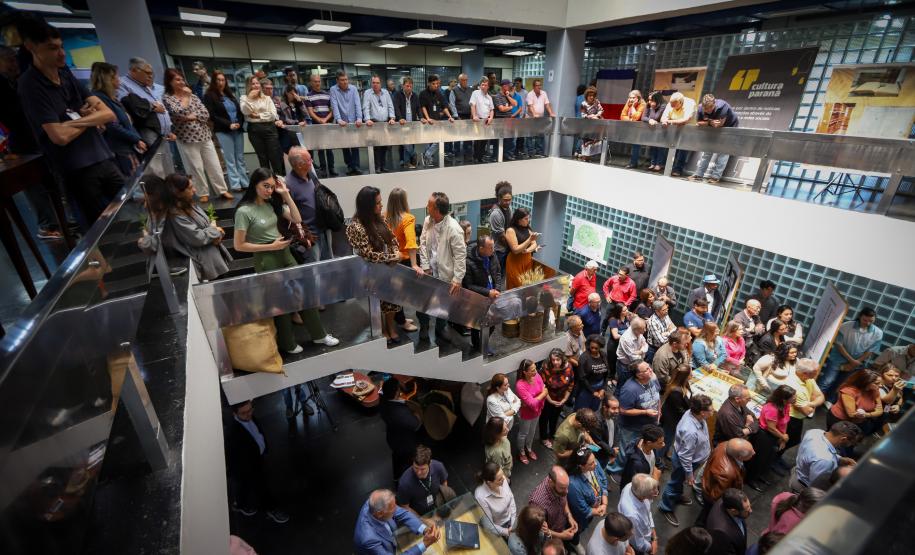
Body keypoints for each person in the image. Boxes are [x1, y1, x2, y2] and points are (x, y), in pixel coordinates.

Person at [18, 20, 124, 228]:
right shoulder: (30, 84)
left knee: (133, 211)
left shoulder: (66, 74)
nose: (61, 54)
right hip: (77, 170)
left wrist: (71, 121)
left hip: (103, 159)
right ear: (31, 47)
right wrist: (88, 119)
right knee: (101, 230)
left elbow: (108, 114)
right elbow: (59, 137)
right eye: (52, 48)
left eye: (61, 47)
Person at [234, 168, 339, 354]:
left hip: (284, 253)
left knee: (304, 293)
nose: (269, 190)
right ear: (254, 184)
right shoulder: (244, 211)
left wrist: (285, 195)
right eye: (265, 186)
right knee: (279, 302)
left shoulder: (272, 204)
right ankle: (287, 343)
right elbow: (239, 245)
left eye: (272, 187)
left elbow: (297, 219)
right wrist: (270, 247)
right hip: (266, 256)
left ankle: (319, 334)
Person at [142, 173, 231, 281]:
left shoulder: (189, 205)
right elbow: (197, 237)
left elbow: (204, 226)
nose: (194, 190)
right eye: (190, 188)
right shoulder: (174, 215)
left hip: (213, 257)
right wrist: (216, 231)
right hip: (205, 261)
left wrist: (214, 233)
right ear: (178, 192)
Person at [162, 68, 233, 203]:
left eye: (182, 79)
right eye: (177, 79)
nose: (181, 82)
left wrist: (191, 115)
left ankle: (222, 190)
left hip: (204, 135)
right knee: (195, 167)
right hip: (187, 138)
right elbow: (179, 113)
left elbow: (205, 114)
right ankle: (202, 192)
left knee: (214, 164)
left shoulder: (194, 96)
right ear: (169, 82)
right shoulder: (168, 98)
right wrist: (187, 100)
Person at [347, 186, 404, 346]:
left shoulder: (380, 218)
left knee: (392, 301)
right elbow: (368, 254)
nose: (381, 206)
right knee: (378, 303)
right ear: (367, 206)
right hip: (371, 273)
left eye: (381, 202)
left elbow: (392, 239)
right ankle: (382, 330)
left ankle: (391, 328)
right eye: (377, 203)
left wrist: (395, 253)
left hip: (388, 269)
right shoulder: (356, 226)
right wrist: (392, 256)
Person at [226, 400, 289, 523]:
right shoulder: (232, 434)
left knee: (247, 487)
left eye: (250, 410)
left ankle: (239, 504)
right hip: (249, 466)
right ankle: (270, 509)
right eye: (244, 413)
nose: (249, 414)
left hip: (256, 459)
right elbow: (234, 460)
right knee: (260, 488)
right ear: (234, 414)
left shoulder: (248, 417)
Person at [417, 192, 467, 344]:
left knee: (444, 304)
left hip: (445, 273)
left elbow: (460, 256)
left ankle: (440, 328)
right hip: (429, 269)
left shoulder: (454, 229)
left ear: (437, 209)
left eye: (429, 205)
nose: (426, 206)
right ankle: (424, 326)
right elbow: (423, 243)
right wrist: (425, 266)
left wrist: (457, 279)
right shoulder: (428, 220)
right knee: (422, 302)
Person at [659, 395, 713, 527]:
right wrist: (689, 474)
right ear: (702, 412)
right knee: (675, 482)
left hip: (692, 460)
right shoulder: (690, 431)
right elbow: (685, 456)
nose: (713, 411)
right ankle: (666, 506)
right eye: (711, 410)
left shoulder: (693, 414)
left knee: (678, 482)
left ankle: (677, 495)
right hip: (686, 463)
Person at [117, 56, 175, 179]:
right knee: (155, 169)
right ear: (133, 70)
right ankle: (160, 197)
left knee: (168, 167)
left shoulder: (146, 86)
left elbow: (160, 108)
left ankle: (172, 195)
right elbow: (131, 104)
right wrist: (151, 106)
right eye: (147, 73)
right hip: (146, 131)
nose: (151, 76)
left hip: (162, 133)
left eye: (151, 73)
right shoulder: (123, 83)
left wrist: (167, 129)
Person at [90, 62, 146, 177]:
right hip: (120, 151)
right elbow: (113, 126)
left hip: (128, 148)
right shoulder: (99, 99)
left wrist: (137, 139)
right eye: (116, 77)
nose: (119, 80)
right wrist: (136, 139)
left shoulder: (112, 98)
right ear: (108, 79)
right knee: (133, 184)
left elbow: (127, 122)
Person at [819, 307, 883, 402]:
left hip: (857, 361)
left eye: (871, 321)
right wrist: (852, 361)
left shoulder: (878, 333)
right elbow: (838, 344)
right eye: (865, 320)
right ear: (860, 316)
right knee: (827, 380)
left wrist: (857, 362)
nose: (868, 323)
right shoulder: (846, 326)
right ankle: (815, 399)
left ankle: (830, 400)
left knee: (842, 383)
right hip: (838, 358)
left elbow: (871, 350)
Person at [354, 489, 439, 555]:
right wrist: (424, 544)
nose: (397, 509)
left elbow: (403, 514)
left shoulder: (373, 503)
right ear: (380, 514)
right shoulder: (369, 539)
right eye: (392, 509)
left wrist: (424, 530)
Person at [745, 385, 795, 492]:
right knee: (758, 459)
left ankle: (759, 475)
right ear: (784, 399)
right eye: (793, 397)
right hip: (764, 436)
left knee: (768, 458)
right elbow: (771, 428)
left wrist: (783, 437)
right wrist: (783, 437)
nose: (795, 399)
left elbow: (785, 421)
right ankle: (750, 479)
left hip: (775, 436)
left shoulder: (786, 405)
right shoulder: (771, 409)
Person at [285, 146, 331, 263]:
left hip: (325, 230)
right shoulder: (289, 184)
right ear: (299, 165)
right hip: (311, 237)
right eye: (309, 160)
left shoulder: (311, 175)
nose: (312, 162)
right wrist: (304, 237)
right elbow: (290, 216)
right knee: (314, 269)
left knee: (329, 264)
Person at [204, 70, 247, 191]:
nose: (221, 82)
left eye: (223, 80)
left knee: (240, 157)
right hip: (223, 130)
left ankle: (245, 182)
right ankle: (235, 184)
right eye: (218, 80)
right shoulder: (209, 95)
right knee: (230, 158)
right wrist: (229, 125)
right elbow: (212, 115)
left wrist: (239, 123)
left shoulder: (230, 95)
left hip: (237, 130)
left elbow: (239, 112)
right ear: (214, 81)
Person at [385, 187, 421, 332]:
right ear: (403, 201)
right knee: (401, 294)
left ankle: (400, 318)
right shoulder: (408, 218)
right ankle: (401, 322)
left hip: (390, 260)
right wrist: (414, 264)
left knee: (394, 292)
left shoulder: (385, 216)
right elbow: (411, 243)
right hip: (404, 261)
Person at [775, 358, 824, 463]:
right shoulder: (794, 386)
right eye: (815, 373)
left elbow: (821, 397)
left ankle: (776, 457)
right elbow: (807, 412)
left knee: (794, 440)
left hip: (798, 418)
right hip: (790, 419)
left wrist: (811, 404)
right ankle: (773, 460)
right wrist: (813, 404)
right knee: (783, 441)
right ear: (805, 374)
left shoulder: (807, 379)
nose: (816, 375)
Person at [697, 438, 755, 526]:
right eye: (751, 453)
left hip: (710, 482)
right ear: (739, 457)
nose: (754, 452)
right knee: (707, 514)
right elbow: (716, 496)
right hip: (710, 496)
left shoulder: (725, 444)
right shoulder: (727, 474)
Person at [792, 421, 860, 491]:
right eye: (852, 443)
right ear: (843, 439)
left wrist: (839, 459)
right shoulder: (825, 460)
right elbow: (817, 484)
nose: (850, 445)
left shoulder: (815, 432)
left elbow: (818, 452)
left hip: (798, 471)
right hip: (803, 486)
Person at [238, 75, 286, 176]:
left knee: (275, 157)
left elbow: (273, 115)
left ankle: (279, 180)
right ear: (248, 85)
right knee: (262, 158)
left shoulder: (267, 98)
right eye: (253, 83)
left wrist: (257, 115)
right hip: (254, 130)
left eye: (257, 83)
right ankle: (266, 181)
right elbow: (245, 111)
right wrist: (250, 98)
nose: (255, 85)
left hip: (269, 128)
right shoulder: (244, 98)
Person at [617, 362, 661, 468]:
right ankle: (617, 470)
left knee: (640, 447)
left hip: (649, 424)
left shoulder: (653, 378)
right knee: (625, 450)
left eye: (649, 367)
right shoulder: (629, 389)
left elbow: (658, 395)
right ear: (639, 375)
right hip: (631, 427)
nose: (650, 370)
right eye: (646, 369)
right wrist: (645, 412)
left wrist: (659, 411)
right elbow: (623, 410)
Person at [688, 93, 739, 183]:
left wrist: (707, 122)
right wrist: (710, 122)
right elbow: (699, 123)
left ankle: (715, 176)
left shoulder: (723, 106)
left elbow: (718, 125)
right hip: (711, 126)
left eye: (710, 108)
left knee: (723, 152)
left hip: (729, 127)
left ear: (714, 104)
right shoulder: (700, 108)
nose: (707, 111)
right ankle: (699, 174)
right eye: (705, 109)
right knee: (707, 150)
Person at [463, 235, 502, 352]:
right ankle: (477, 347)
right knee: (476, 325)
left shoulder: (492, 255)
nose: (493, 250)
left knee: (492, 324)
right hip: (478, 298)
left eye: (493, 246)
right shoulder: (468, 261)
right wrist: (487, 292)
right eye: (490, 247)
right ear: (481, 248)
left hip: (493, 296)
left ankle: (483, 343)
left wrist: (497, 289)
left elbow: (498, 273)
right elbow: (469, 285)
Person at [379, 379, 421, 483]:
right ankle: (412, 477)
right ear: (397, 392)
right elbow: (415, 425)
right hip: (405, 444)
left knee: (396, 457)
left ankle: (396, 476)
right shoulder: (400, 413)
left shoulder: (383, 401)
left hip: (392, 438)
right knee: (408, 459)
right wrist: (416, 414)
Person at [566, 448, 609, 546]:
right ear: (581, 466)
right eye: (591, 463)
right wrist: (597, 511)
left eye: (594, 460)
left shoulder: (594, 463)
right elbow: (582, 510)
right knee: (578, 529)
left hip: (595, 506)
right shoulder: (573, 485)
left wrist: (604, 502)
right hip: (581, 516)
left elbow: (603, 480)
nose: (596, 464)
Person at [528, 466, 579, 547]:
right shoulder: (537, 503)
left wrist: (569, 516)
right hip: (551, 536)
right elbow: (542, 530)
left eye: (567, 487)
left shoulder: (559, 484)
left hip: (560, 526)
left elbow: (564, 500)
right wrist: (562, 536)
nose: (567, 491)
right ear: (551, 482)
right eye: (563, 488)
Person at [827, 369, 884, 438]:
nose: (881, 386)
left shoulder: (875, 391)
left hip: (858, 422)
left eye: (881, 383)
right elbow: (851, 414)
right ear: (865, 382)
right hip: (839, 420)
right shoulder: (849, 392)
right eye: (877, 383)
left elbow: (880, 411)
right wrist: (870, 414)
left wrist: (866, 415)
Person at [328, 70, 364, 175]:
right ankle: (349, 166)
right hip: (342, 122)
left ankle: (356, 166)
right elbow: (334, 105)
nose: (345, 82)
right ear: (337, 81)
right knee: (345, 144)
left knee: (355, 144)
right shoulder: (333, 90)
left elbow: (358, 104)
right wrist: (338, 119)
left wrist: (359, 118)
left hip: (354, 121)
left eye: (346, 79)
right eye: (342, 80)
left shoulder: (353, 89)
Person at [396, 445, 449, 516]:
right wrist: (423, 520)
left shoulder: (438, 467)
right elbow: (405, 507)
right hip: (418, 513)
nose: (418, 472)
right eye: (416, 468)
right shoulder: (405, 483)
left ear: (429, 464)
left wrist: (443, 501)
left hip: (436, 505)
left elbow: (444, 483)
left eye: (422, 469)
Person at [303, 73, 337, 177]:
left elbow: (332, 110)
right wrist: (320, 120)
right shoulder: (308, 96)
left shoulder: (327, 94)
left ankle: (331, 169)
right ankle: (323, 170)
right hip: (316, 126)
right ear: (311, 82)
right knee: (321, 149)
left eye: (319, 81)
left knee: (329, 149)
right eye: (315, 82)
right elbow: (310, 112)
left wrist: (325, 119)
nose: (317, 83)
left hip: (327, 125)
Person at [540, 349, 575, 449]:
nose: (555, 362)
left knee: (555, 418)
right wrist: (550, 400)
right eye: (553, 360)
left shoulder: (568, 368)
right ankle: (543, 437)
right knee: (544, 418)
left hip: (560, 399)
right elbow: (542, 386)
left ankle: (552, 434)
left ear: (562, 359)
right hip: (547, 398)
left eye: (558, 360)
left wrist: (565, 399)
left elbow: (571, 384)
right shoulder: (546, 367)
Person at [617, 474, 659, 555]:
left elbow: (648, 512)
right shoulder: (632, 515)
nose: (657, 492)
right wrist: (651, 549)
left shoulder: (631, 486)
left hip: (647, 535)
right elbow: (638, 543)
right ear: (643, 496)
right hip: (641, 544)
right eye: (653, 492)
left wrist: (654, 536)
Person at [362, 75, 396, 173]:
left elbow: (390, 106)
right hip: (374, 123)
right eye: (374, 83)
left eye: (377, 83)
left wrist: (392, 117)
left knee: (384, 146)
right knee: (376, 147)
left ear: (380, 84)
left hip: (385, 123)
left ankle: (383, 166)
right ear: (371, 83)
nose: (375, 85)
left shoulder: (385, 92)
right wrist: (367, 119)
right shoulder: (368, 93)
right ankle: (377, 167)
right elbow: (366, 107)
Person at [515, 360, 547, 465]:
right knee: (523, 433)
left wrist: (533, 400)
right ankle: (521, 452)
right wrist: (543, 394)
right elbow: (533, 402)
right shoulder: (520, 385)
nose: (536, 372)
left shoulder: (537, 375)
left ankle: (528, 448)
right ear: (525, 372)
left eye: (535, 369)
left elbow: (542, 390)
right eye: (532, 370)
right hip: (526, 414)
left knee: (532, 431)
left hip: (537, 411)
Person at [418, 73, 455, 167]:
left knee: (439, 140)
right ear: (429, 83)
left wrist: (450, 116)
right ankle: (427, 158)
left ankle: (427, 155)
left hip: (437, 121)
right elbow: (423, 107)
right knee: (427, 141)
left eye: (437, 84)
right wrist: (427, 118)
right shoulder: (423, 93)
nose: (436, 85)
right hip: (427, 122)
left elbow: (444, 106)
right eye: (433, 84)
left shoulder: (439, 93)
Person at [659, 364, 692, 463]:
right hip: (671, 420)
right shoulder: (675, 392)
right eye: (690, 374)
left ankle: (664, 454)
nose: (692, 375)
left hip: (676, 419)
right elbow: (680, 410)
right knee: (666, 439)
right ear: (685, 376)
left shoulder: (684, 384)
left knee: (670, 439)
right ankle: (659, 459)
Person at [475, 461, 517, 538]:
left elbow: (511, 499)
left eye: (503, 474)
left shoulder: (502, 479)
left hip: (511, 518)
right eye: (499, 479)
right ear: (489, 482)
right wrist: (506, 532)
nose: (504, 479)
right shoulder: (481, 497)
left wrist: (513, 521)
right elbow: (489, 524)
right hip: (499, 527)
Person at [660, 92, 697, 177]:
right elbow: (663, 117)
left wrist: (669, 121)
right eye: (671, 105)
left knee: (682, 149)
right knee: (670, 147)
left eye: (674, 105)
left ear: (680, 102)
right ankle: (667, 167)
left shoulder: (690, 103)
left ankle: (678, 169)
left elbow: (685, 119)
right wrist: (664, 121)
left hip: (688, 129)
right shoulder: (671, 103)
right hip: (674, 128)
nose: (672, 107)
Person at [504, 207, 541, 290]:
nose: (528, 220)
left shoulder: (527, 228)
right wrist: (529, 240)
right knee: (517, 286)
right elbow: (515, 249)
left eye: (528, 218)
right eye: (526, 219)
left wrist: (527, 250)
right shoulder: (511, 230)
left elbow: (534, 244)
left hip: (526, 260)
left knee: (526, 286)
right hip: (515, 261)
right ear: (518, 219)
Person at [706, 488, 751, 555]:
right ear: (734, 511)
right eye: (747, 510)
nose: (751, 511)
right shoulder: (722, 535)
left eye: (749, 507)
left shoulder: (726, 501)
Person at [620, 424, 664, 491]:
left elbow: (659, 463)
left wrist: (657, 471)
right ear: (649, 443)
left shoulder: (652, 448)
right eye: (660, 443)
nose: (663, 444)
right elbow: (636, 487)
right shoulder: (636, 463)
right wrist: (656, 479)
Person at [392, 76, 421, 169]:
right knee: (405, 142)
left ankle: (407, 162)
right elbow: (396, 107)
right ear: (403, 86)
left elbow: (418, 108)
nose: (409, 88)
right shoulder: (397, 95)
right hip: (402, 123)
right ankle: (412, 156)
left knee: (410, 142)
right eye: (407, 86)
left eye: (410, 86)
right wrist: (400, 118)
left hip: (411, 123)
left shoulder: (415, 96)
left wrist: (421, 118)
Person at [576, 334, 610, 410]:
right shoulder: (584, 358)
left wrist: (603, 388)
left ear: (600, 347)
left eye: (596, 348)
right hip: (586, 388)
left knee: (594, 409)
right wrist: (593, 391)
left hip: (600, 387)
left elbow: (607, 373)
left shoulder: (603, 355)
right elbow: (582, 378)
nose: (593, 350)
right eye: (592, 347)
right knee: (582, 410)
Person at [615, 318, 649, 393]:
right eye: (643, 328)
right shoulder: (626, 339)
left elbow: (646, 345)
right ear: (636, 329)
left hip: (634, 364)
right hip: (625, 366)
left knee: (630, 385)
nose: (645, 330)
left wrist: (640, 351)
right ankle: (616, 400)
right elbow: (634, 358)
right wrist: (642, 353)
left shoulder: (638, 332)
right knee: (622, 386)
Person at [489, 182, 513, 281]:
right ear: (499, 199)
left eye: (509, 200)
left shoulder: (509, 208)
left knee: (505, 275)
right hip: (499, 250)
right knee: (498, 276)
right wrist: (514, 247)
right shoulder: (495, 214)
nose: (508, 202)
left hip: (507, 248)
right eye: (505, 200)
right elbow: (501, 237)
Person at [525, 79, 555, 157]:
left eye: (540, 85)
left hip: (540, 118)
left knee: (540, 135)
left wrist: (551, 112)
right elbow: (530, 106)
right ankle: (530, 152)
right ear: (534, 87)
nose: (539, 87)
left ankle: (539, 152)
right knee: (530, 136)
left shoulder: (544, 93)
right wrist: (534, 113)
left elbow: (547, 104)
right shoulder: (530, 94)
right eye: (537, 85)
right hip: (531, 118)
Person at [469, 77, 495, 163]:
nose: (484, 86)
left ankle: (481, 157)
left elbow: (492, 109)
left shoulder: (489, 97)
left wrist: (491, 117)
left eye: (485, 85)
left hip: (486, 121)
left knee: (484, 140)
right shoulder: (475, 93)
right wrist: (474, 115)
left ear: (488, 86)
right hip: (478, 120)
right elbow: (472, 105)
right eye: (482, 85)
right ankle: (476, 157)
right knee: (477, 140)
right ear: (480, 86)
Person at [448, 73, 473, 161]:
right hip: (459, 116)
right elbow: (452, 104)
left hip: (469, 116)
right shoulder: (454, 90)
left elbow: (473, 103)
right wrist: (456, 116)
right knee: (458, 136)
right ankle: (457, 155)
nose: (465, 81)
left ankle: (468, 154)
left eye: (466, 80)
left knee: (468, 136)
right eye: (463, 80)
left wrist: (472, 114)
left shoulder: (470, 90)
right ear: (459, 80)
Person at [641, 91, 667, 172]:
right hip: (652, 129)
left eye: (652, 100)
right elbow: (643, 117)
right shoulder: (648, 105)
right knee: (652, 146)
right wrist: (649, 120)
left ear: (658, 100)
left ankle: (659, 164)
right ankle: (653, 163)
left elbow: (656, 117)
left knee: (660, 147)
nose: (649, 102)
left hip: (662, 130)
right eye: (649, 100)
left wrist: (652, 109)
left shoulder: (663, 106)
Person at [593, 395, 621, 471]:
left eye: (618, 408)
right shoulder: (596, 420)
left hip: (607, 453)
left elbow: (617, 431)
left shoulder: (613, 415)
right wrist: (612, 452)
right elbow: (598, 441)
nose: (617, 411)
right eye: (614, 408)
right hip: (596, 454)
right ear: (605, 408)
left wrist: (615, 448)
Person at [494, 79, 520, 159]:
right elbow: (502, 109)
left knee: (509, 138)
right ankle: (497, 155)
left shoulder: (508, 95)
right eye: (508, 86)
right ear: (504, 86)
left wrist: (508, 96)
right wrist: (510, 107)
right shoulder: (497, 96)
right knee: (499, 139)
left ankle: (507, 154)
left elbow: (515, 103)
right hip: (501, 120)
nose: (510, 87)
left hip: (509, 120)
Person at [578, 86, 604, 161]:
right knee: (586, 143)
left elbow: (601, 110)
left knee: (593, 143)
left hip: (595, 126)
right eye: (590, 95)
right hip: (586, 126)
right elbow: (583, 115)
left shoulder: (597, 102)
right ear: (587, 96)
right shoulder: (583, 104)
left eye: (593, 95)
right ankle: (584, 159)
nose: (592, 97)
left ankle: (589, 158)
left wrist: (597, 115)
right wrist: (591, 117)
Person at [620, 90, 645, 168]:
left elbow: (637, 117)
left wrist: (633, 107)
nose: (631, 99)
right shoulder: (628, 103)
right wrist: (631, 119)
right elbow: (622, 116)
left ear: (638, 98)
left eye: (633, 98)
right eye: (630, 98)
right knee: (633, 145)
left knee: (636, 145)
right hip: (631, 127)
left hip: (641, 129)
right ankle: (633, 162)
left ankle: (633, 163)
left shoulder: (643, 104)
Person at [877, 363, 905, 429]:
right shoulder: (878, 384)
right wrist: (895, 390)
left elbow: (900, 397)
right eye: (889, 375)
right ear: (882, 374)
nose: (894, 378)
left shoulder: (894, 384)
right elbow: (887, 401)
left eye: (897, 376)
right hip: (876, 415)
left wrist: (898, 405)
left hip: (887, 414)